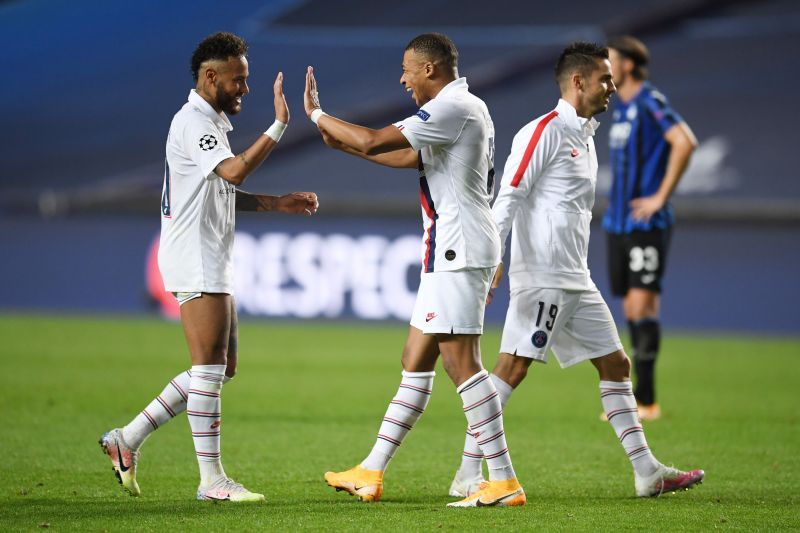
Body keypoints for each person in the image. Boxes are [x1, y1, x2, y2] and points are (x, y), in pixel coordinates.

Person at [448, 42, 704, 499]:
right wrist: (493, 258)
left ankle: (646, 471)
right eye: (605, 79)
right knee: (510, 370)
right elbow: (508, 197)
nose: (612, 86)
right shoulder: (543, 131)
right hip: (543, 276)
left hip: (575, 278)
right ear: (578, 81)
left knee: (616, 363)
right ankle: (469, 472)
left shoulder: (585, 136)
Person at [304, 33, 525, 508]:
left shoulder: (451, 106)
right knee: (415, 360)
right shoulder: (462, 109)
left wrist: (319, 117)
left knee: (461, 363)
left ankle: (503, 480)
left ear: (430, 69)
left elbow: (375, 138)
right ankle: (371, 471)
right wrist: (344, 147)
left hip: (458, 250)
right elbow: (406, 156)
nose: (402, 78)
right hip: (448, 250)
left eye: (407, 69)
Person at [99, 32, 318, 502]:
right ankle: (212, 481)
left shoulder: (211, 124)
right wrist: (279, 125)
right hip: (194, 255)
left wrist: (276, 203)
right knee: (208, 368)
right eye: (238, 80)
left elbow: (221, 191)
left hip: (211, 253)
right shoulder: (192, 122)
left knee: (222, 367)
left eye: (247, 79)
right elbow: (233, 171)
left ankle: (127, 439)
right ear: (210, 76)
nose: (245, 89)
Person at [603, 35, 698, 421]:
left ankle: (646, 401)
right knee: (629, 304)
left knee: (643, 304)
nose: (605, 67)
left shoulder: (649, 102)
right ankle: (638, 399)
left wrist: (660, 196)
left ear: (627, 64)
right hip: (617, 222)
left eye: (609, 59)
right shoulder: (621, 108)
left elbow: (685, 141)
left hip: (646, 221)